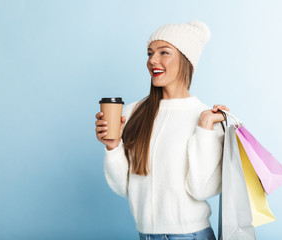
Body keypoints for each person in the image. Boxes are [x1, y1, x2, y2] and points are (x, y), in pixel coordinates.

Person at [95, 20, 230, 240]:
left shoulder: (207, 117)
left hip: (191, 235)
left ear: (186, 60)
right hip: (146, 235)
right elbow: (124, 188)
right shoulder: (132, 113)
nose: (152, 61)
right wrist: (113, 146)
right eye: (150, 53)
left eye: (163, 52)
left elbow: (201, 189)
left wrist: (205, 128)